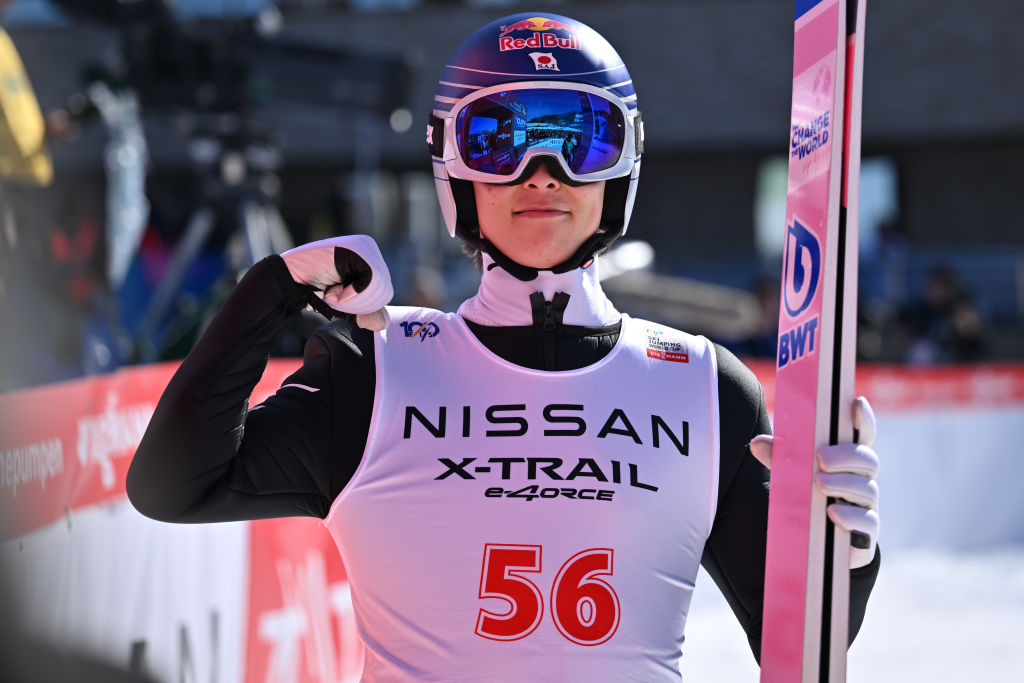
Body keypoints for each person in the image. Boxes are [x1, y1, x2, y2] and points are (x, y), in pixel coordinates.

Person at [127, 13, 880, 680]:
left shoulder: (705, 388)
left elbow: (806, 642)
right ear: (453, 168)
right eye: (500, 140)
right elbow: (172, 483)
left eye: (580, 138)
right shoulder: (376, 371)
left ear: (622, 166)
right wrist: (275, 289)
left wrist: (840, 550)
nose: (541, 175)